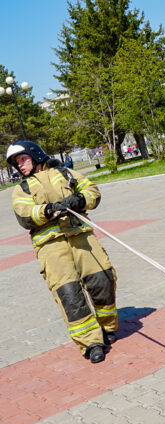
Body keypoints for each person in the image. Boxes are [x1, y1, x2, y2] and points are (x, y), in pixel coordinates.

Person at [8, 140, 118, 364]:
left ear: (35, 154)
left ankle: (108, 327)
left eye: (22, 159)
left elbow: (92, 191)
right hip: (51, 247)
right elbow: (25, 215)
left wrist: (79, 199)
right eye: (16, 163)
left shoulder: (64, 172)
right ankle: (91, 343)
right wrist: (47, 210)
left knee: (103, 281)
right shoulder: (21, 189)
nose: (20, 165)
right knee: (70, 296)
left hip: (82, 237)